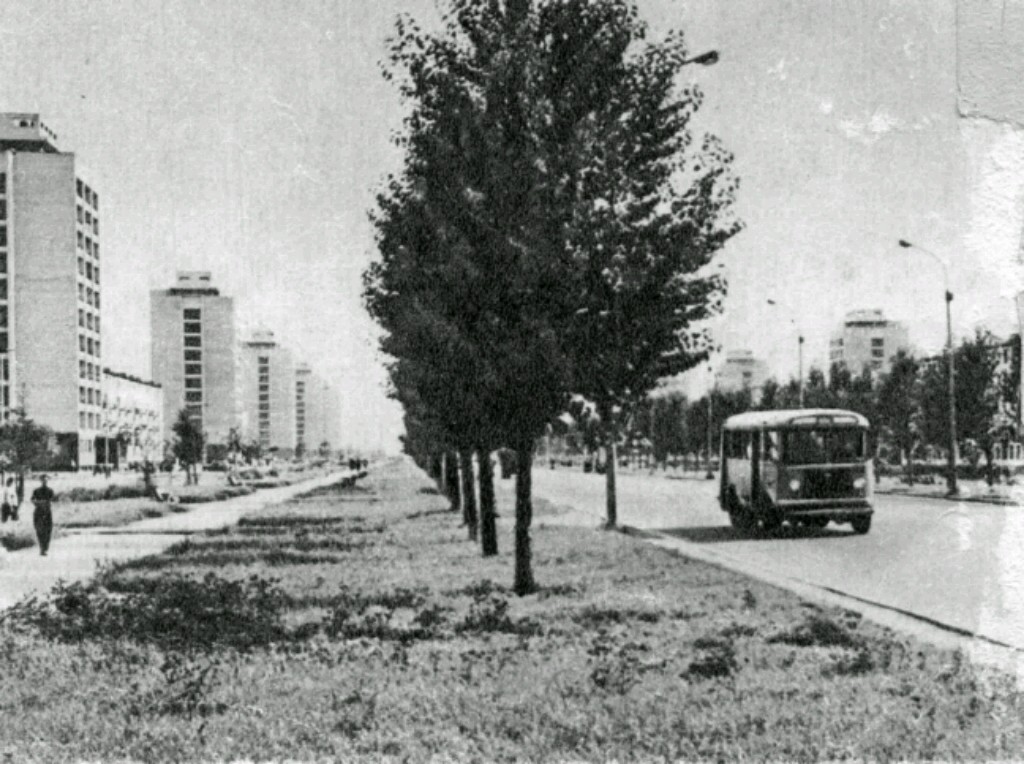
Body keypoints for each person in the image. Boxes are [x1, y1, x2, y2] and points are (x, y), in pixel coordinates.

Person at [31, 474, 56, 556]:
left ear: (47, 481)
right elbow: (32, 499)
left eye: (46, 480)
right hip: (38, 512)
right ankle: (42, 548)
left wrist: (48, 503)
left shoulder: (50, 491)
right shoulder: (36, 491)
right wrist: (38, 503)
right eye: (43, 480)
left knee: (48, 530)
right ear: (41, 481)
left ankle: (45, 547)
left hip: (47, 512)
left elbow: (53, 500)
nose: (44, 482)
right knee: (39, 530)